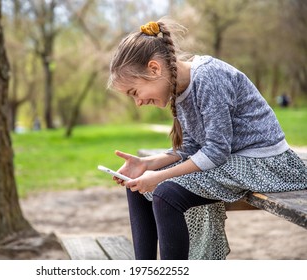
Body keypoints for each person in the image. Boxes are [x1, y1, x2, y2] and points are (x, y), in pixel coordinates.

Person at [107, 18, 307, 260]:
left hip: (264, 163)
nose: (138, 102)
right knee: (137, 187)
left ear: (154, 69)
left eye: (135, 92)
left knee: (166, 193)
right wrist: (147, 165)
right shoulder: (178, 90)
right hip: (233, 160)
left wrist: (159, 176)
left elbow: (215, 151)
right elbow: (192, 148)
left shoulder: (208, 77)